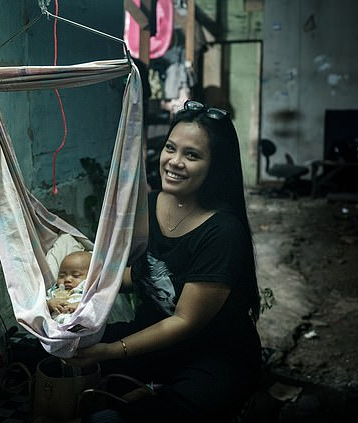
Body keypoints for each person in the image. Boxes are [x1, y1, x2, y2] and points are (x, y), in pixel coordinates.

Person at [67, 100, 262, 422]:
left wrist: (112, 350)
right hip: (154, 337)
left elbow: (184, 320)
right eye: (171, 148)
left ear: (216, 166)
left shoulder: (223, 231)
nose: (174, 162)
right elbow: (149, 275)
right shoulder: (151, 204)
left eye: (192, 155)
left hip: (213, 357)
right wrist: (82, 280)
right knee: (55, 353)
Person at [46, 250, 92, 324]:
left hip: (80, 322)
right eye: (62, 276)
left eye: (75, 275)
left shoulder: (88, 287)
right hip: (55, 327)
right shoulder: (54, 291)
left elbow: (98, 304)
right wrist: (50, 304)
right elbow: (41, 307)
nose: (67, 279)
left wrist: (80, 306)